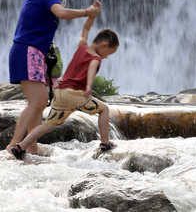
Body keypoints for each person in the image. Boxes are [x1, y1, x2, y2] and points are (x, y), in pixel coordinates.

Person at [6, 0, 102, 156]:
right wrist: (86, 12)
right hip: (28, 51)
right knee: (38, 102)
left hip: (31, 52)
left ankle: (30, 145)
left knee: (39, 102)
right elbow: (60, 12)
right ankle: (14, 145)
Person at [9, 14, 120, 160]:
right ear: (104, 45)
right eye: (108, 53)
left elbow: (85, 29)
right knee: (104, 109)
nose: (106, 57)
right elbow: (92, 68)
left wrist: (92, 16)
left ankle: (20, 147)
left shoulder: (82, 46)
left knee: (48, 125)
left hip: (60, 93)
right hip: (74, 94)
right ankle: (105, 143)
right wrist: (88, 85)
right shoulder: (96, 58)